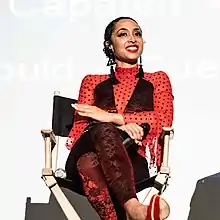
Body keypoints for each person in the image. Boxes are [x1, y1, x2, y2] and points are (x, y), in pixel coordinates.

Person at [65, 16, 174, 220]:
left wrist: (113, 118)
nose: (132, 39)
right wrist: (118, 124)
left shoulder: (158, 79)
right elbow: (80, 129)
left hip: (131, 161)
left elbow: (162, 120)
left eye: (137, 33)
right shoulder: (92, 82)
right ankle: (135, 209)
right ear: (110, 44)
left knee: (89, 164)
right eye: (123, 34)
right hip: (85, 149)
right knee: (101, 130)